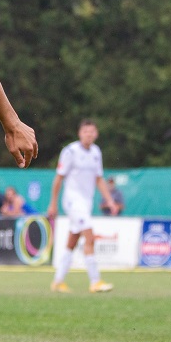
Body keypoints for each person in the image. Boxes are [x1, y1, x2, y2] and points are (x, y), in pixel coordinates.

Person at [47, 119, 117, 294]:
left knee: (73, 240)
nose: (89, 134)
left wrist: (109, 200)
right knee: (90, 236)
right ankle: (95, 281)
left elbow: (99, 179)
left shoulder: (96, 152)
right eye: (86, 131)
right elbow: (59, 178)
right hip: (72, 200)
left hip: (86, 202)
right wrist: (53, 203)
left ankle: (57, 281)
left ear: (96, 134)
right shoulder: (70, 151)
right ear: (80, 133)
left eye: (92, 131)